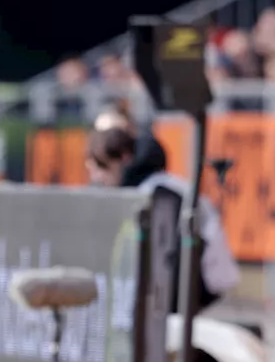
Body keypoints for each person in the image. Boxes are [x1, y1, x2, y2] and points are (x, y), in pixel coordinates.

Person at [84, 126, 239, 310]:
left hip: (197, 285)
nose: (99, 178)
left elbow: (169, 255)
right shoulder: (160, 185)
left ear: (124, 159)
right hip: (197, 284)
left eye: (103, 168)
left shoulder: (157, 194)